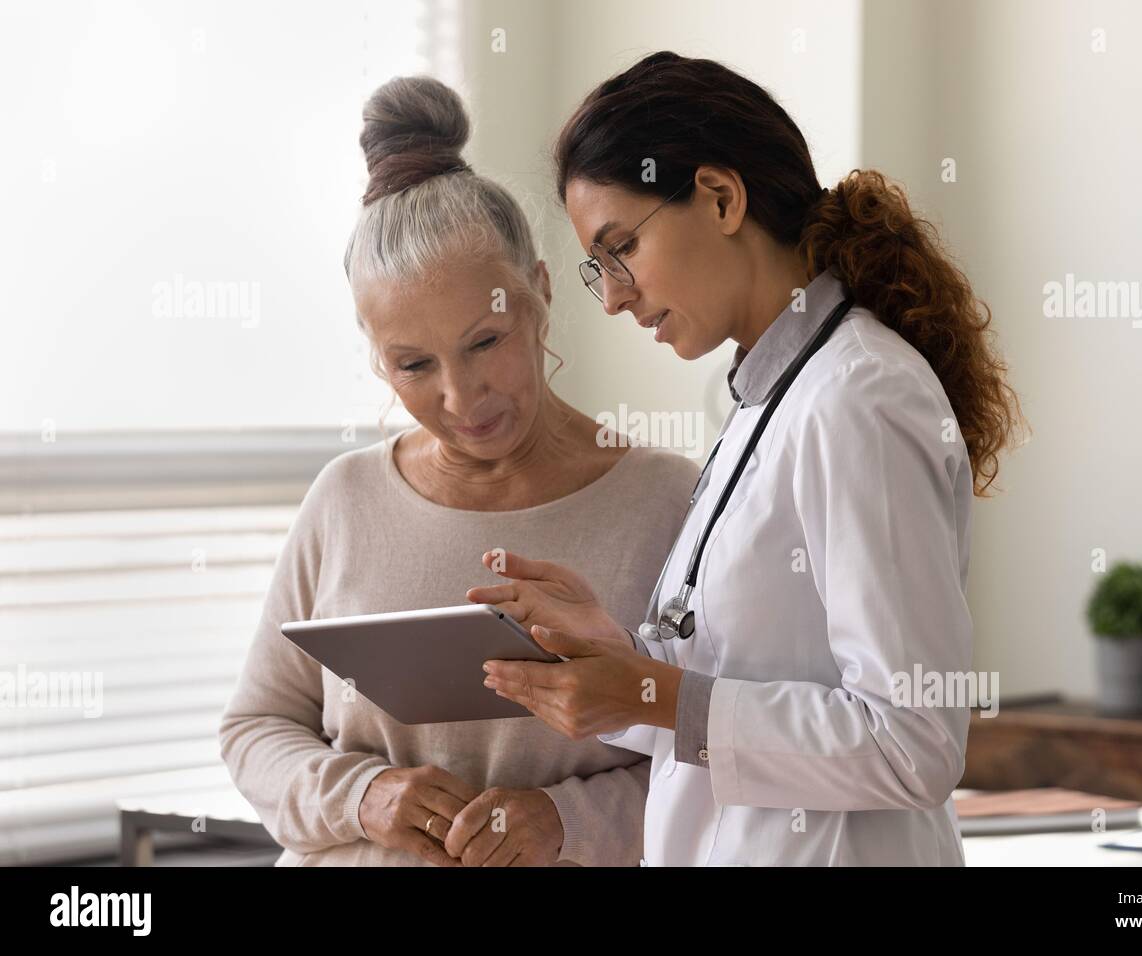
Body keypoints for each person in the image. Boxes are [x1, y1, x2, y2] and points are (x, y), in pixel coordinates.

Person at [471, 52, 1025, 866]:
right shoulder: (764, 399)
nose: (615, 294)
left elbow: (914, 743)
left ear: (721, 197)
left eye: (620, 246)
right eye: (600, 268)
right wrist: (621, 664)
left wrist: (654, 691)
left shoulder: (859, 399)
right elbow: (741, 684)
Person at [219, 74, 699, 866]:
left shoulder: (669, 501)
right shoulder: (344, 501)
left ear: (541, 293)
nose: (460, 396)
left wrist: (565, 820)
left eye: (486, 342)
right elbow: (255, 729)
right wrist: (361, 798)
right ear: (378, 362)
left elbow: (717, 749)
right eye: (413, 364)